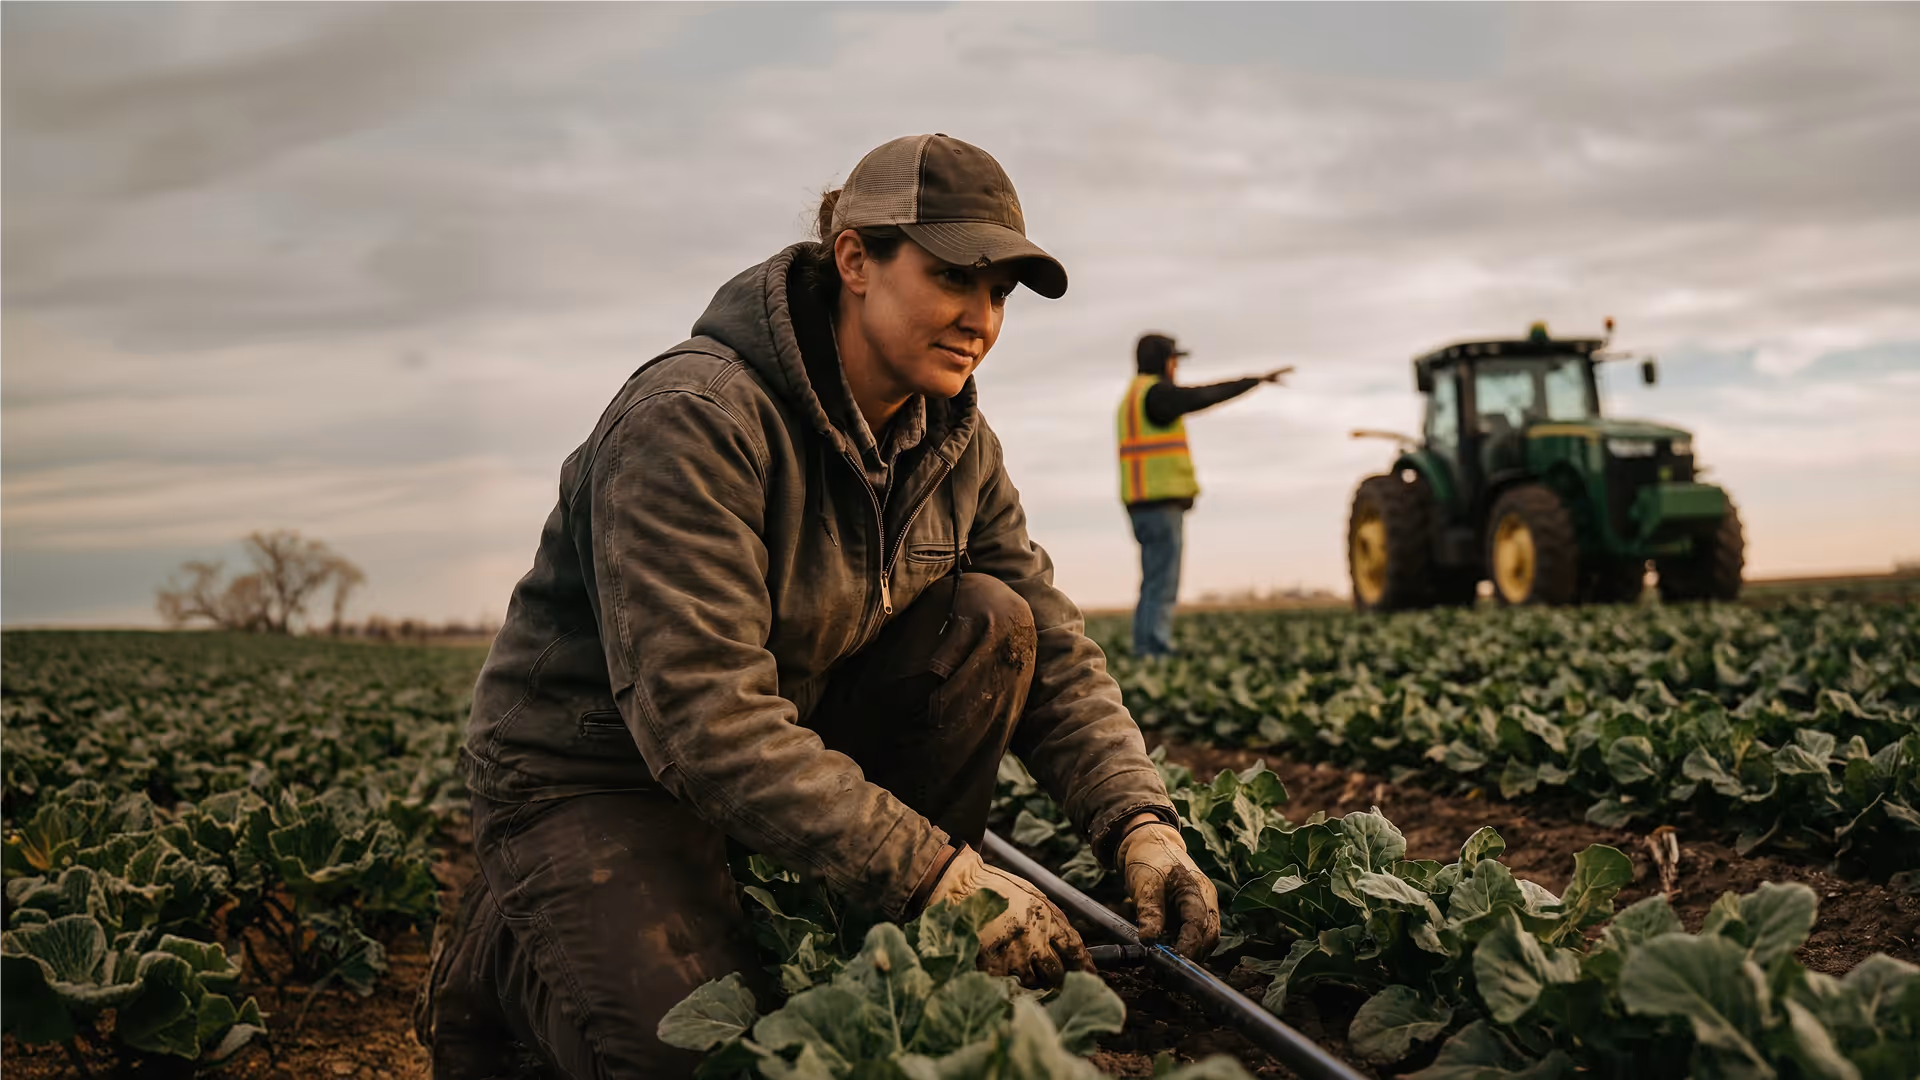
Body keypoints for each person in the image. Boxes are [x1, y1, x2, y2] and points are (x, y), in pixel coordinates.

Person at [420, 134, 1220, 1079]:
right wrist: (940, 875)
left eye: (1000, 292)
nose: (980, 317)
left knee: (995, 624)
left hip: (772, 755)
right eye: (955, 274)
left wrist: (1139, 822)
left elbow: (1051, 645)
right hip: (600, 775)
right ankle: (519, 944)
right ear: (854, 260)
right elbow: (704, 721)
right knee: (702, 1059)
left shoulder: (955, 439)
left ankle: (844, 916)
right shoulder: (694, 418)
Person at [1117, 334, 1289, 658]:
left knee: (1153, 580)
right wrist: (1254, 382)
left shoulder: (1132, 397)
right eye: (1174, 359)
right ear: (1162, 361)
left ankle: (1146, 646)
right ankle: (1153, 650)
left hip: (1142, 503)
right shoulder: (1156, 395)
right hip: (1158, 505)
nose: (1177, 366)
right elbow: (1203, 396)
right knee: (1162, 584)